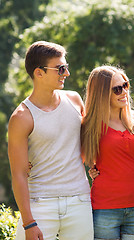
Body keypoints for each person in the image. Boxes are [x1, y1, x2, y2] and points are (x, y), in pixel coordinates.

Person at [7, 41, 93, 240]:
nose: (66, 73)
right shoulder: (21, 117)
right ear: (39, 73)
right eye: (60, 68)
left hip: (79, 201)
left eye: (66, 67)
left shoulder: (74, 100)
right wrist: (29, 222)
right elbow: (18, 174)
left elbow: (88, 144)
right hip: (40, 204)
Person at [81, 66, 134, 240]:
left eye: (125, 85)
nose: (124, 92)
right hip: (105, 209)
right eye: (117, 89)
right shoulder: (89, 126)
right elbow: (73, 158)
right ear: (102, 93)